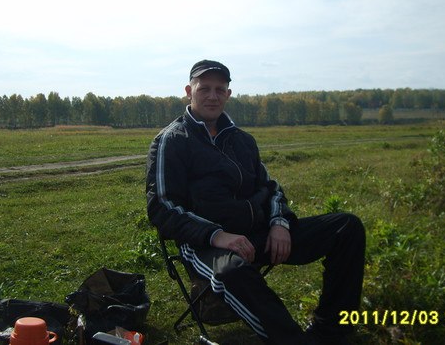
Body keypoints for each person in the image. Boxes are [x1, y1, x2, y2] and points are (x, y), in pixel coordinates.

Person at [146, 60, 365, 345]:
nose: (212, 96)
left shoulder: (243, 141)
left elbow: (271, 187)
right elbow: (161, 206)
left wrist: (279, 223)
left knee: (346, 227)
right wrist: (217, 235)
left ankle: (331, 330)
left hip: (259, 235)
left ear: (228, 94)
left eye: (219, 90)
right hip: (205, 244)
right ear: (189, 92)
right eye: (204, 89)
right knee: (232, 271)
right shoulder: (172, 140)